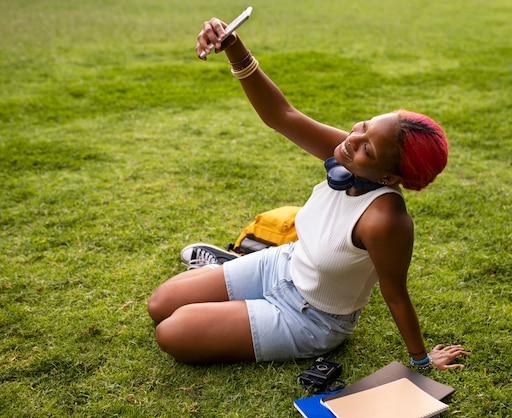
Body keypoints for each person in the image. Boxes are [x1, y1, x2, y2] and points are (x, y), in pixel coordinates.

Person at [147, 16, 470, 370]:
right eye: (363, 126)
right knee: (160, 304)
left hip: (311, 317)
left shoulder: (386, 220)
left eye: (367, 149)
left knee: (172, 332)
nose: (352, 140)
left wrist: (422, 361)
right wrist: (233, 45)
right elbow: (281, 115)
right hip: (283, 263)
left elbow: (395, 295)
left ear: (389, 174)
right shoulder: (348, 154)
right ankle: (234, 269)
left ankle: (232, 280)